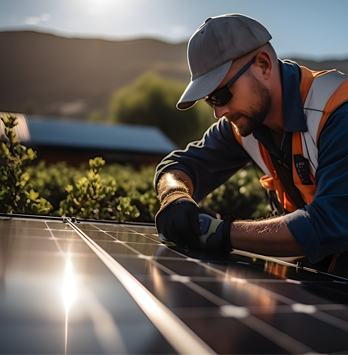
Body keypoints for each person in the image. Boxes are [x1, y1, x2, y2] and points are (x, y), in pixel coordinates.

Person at [154, 13, 348, 272]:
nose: (219, 112)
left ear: (264, 65)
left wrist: (219, 233)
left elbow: (330, 225)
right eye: (210, 100)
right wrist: (173, 195)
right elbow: (179, 165)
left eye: (222, 94)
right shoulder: (244, 124)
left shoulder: (337, 110)